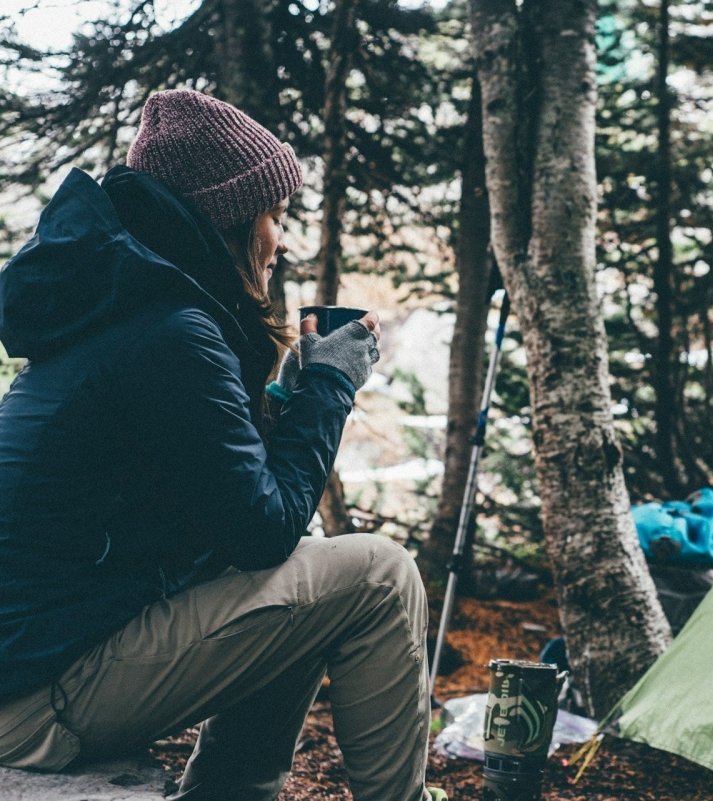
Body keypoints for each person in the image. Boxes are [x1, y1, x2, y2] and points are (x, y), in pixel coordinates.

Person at [0, 89, 440, 801]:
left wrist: (286, 399)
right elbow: (262, 530)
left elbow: (227, 511)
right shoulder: (171, 330)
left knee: (307, 579)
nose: (283, 240)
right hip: (36, 701)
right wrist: (329, 386)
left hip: (30, 671)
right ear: (230, 218)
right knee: (378, 574)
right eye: (276, 216)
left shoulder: (123, 311)